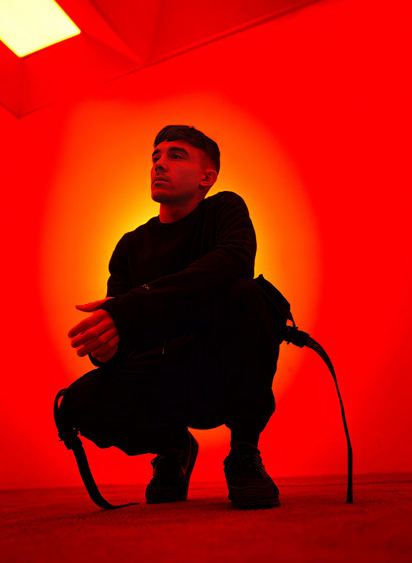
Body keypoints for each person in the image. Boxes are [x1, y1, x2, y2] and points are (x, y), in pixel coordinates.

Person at [57, 125, 283, 508]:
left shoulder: (224, 209)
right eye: (155, 156)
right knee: (76, 406)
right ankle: (172, 446)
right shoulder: (130, 246)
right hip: (161, 377)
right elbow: (119, 334)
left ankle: (244, 451)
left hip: (218, 368)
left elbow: (235, 261)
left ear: (206, 177)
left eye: (176, 155)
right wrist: (105, 348)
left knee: (249, 295)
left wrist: (133, 306)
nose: (159, 164)